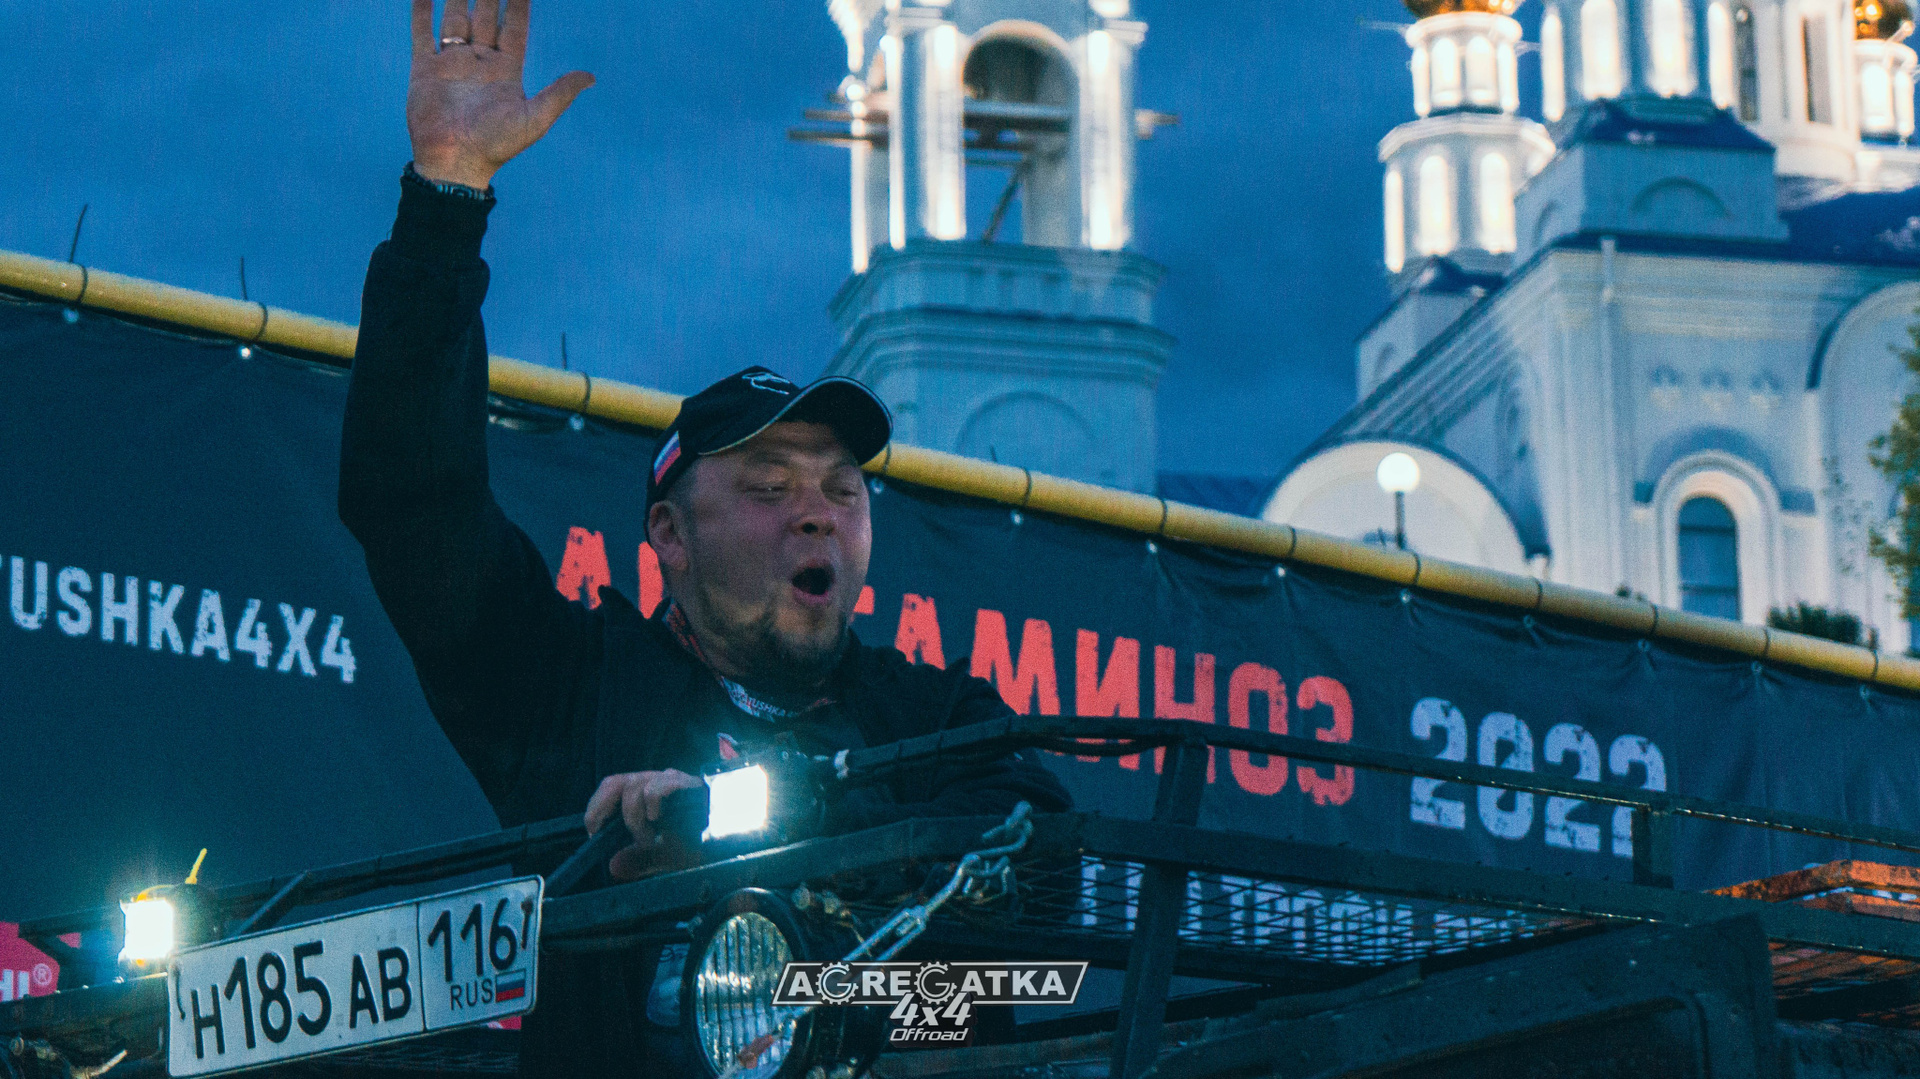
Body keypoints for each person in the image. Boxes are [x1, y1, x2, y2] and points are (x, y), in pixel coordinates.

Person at [337, 1, 1072, 1073]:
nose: (818, 510)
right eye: (770, 486)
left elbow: (1025, 914)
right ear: (670, 536)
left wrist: (754, 839)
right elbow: (414, 504)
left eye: (843, 488)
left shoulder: (940, 721)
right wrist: (446, 197)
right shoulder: (572, 691)